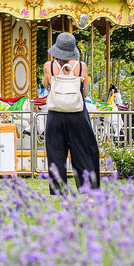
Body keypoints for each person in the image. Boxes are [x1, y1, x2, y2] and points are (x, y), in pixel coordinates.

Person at [42, 32, 100, 195]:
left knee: (55, 151)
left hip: (56, 113)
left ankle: (59, 189)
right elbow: (86, 92)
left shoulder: (49, 66)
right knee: (83, 150)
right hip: (77, 113)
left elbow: (46, 86)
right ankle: (87, 187)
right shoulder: (82, 67)